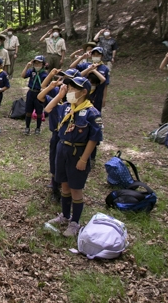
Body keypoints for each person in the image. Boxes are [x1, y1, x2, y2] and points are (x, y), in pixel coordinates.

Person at [44, 77, 103, 237]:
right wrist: (60, 94)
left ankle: (75, 222)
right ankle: (64, 215)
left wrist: (84, 159)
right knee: (64, 185)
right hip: (62, 149)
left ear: (84, 92)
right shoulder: (65, 108)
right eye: (68, 88)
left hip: (78, 153)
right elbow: (48, 109)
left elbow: (94, 138)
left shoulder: (92, 113)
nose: (68, 91)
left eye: (72, 89)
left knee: (76, 189)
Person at [38, 68, 80, 202]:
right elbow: (41, 96)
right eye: (62, 79)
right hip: (56, 135)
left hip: (71, 138)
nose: (63, 83)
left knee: (68, 163)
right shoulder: (58, 96)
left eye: (68, 82)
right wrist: (53, 87)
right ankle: (55, 186)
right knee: (54, 160)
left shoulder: (77, 100)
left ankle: (67, 187)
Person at [69, 47, 110, 112]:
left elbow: (105, 84)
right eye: (94, 55)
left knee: (94, 112)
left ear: (102, 56)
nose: (96, 56)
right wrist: (82, 57)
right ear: (91, 55)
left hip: (97, 95)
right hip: (84, 93)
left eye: (98, 55)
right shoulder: (86, 65)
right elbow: (72, 67)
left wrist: (104, 98)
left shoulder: (105, 68)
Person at [21, 55, 48, 135]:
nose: (37, 65)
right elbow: (23, 75)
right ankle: (27, 127)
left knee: (39, 112)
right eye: (35, 63)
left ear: (43, 64)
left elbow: (47, 86)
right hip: (31, 92)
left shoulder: (45, 74)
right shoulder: (32, 71)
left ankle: (38, 128)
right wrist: (27, 66)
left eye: (39, 64)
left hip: (39, 94)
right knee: (28, 111)